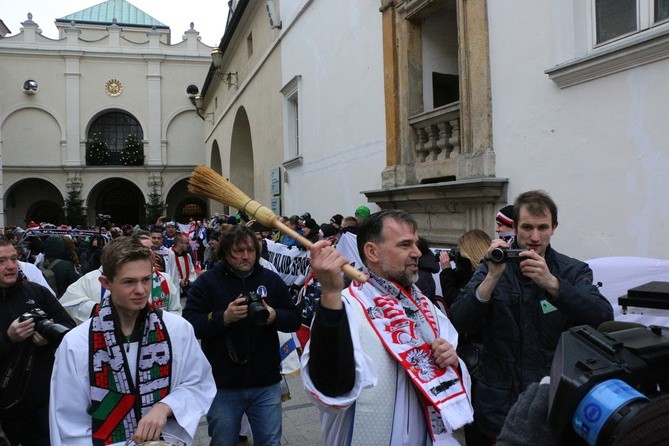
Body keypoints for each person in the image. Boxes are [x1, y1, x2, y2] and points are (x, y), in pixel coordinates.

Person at [450, 190, 614, 443]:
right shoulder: (494, 265)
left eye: (542, 228)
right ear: (515, 227)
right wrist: (492, 277)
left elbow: (602, 317)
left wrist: (553, 284)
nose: (534, 237)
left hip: (549, 400)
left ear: (554, 228)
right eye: (527, 227)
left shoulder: (572, 270)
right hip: (497, 404)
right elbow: (459, 321)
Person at [302, 209, 473, 445]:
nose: (418, 253)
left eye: (415, 243)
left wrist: (452, 360)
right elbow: (330, 390)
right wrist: (330, 293)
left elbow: (451, 368)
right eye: (405, 245)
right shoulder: (347, 308)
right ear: (372, 252)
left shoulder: (426, 307)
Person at [49, 236, 215, 445]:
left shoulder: (177, 330)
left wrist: (166, 406)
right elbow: (67, 422)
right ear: (106, 283)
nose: (141, 290)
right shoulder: (77, 344)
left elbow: (199, 383)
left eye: (146, 279)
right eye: (129, 282)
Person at [182, 224, 301, 446]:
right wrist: (224, 317)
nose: (246, 256)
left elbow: (294, 319)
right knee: (223, 442)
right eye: (238, 251)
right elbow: (189, 324)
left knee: (270, 442)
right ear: (226, 252)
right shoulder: (207, 282)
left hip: (265, 381)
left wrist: (274, 316)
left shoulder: (270, 279)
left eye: (251, 250)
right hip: (223, 385)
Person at [0, 237, 76, 445]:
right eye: (2, 261)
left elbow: (70, 332)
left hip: (43, 405)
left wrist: (48, 338)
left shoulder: (36, 291)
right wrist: (8, 339)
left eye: (14, 259)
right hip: (5, 410)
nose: (11, 267)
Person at [59, 234, 182, 324]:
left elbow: (175, 310)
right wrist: (97, 310)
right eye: (129, 281)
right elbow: (67, 304)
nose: (140, 290)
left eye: (152, 249)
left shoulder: (163, 280)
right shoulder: (91, 279)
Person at [439, 229, 492, 306]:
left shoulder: (476, 277)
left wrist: (447, 270)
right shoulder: (492, 269)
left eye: (460, 251)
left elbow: (454, 301)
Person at [171, 232, 197, 298]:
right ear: (180, 244)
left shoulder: (187, 255)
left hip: (186, 291)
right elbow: (169, 273)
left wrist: (188, 281)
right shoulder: (169, 255)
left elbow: (192, 272)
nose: (188, 245)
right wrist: (179, 281)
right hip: (175, 290)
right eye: (186, 243)